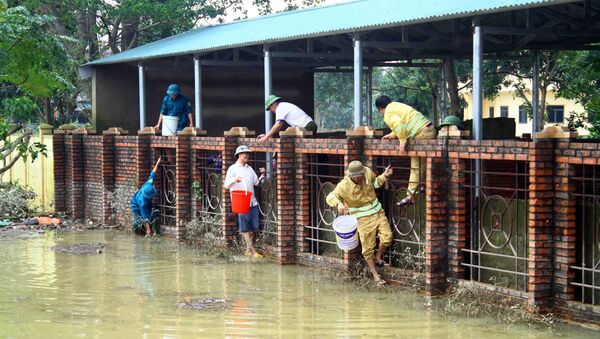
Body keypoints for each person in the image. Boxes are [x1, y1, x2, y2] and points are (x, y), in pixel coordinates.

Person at [326, 160, 394, 285]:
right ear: (351, 175)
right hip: (362, 219)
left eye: (361, 174)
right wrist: (339, 203)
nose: (361, 177)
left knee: (387, 237)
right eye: (358, 175)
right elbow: (330, 196)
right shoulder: (344, 185)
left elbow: (375, 183)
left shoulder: (367, 172)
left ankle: (378, 256)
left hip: (378, 212)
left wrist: (384, 176)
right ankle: (375, 275)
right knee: (367, 248)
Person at [375, 95, 437, 206]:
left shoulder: (387, 113)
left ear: (380, 108)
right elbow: (404, 123)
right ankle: (420, 186)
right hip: (430, 130)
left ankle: (410, 196)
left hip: (420, 133)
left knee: (415, 166)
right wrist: (392, 135)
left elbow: (400, 125)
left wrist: (402, 143)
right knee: (421, 163)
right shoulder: (397, 106)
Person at [224, 145, 266, 258]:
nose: (247, 155)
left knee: (254, 227)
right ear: (238, 155)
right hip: (240, 202)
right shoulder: (232, 169)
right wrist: (234, 179)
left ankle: (248, 251)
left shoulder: (249, 168)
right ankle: (253, 252)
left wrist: (263, 175)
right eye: (244, 153)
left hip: (252, 201)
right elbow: (226, 185)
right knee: (244, 228)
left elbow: (257, 183)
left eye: (248, 153)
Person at [130, 157, 162, 237]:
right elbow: (145, 216)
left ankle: (155, 232)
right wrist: (148, 229)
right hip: (136, 205)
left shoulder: (149, 184)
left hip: (145, 203)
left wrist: (157, 163)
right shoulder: (143, 202)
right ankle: (137, 233)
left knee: (154, 212)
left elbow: (152, 175)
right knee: (138, 221)